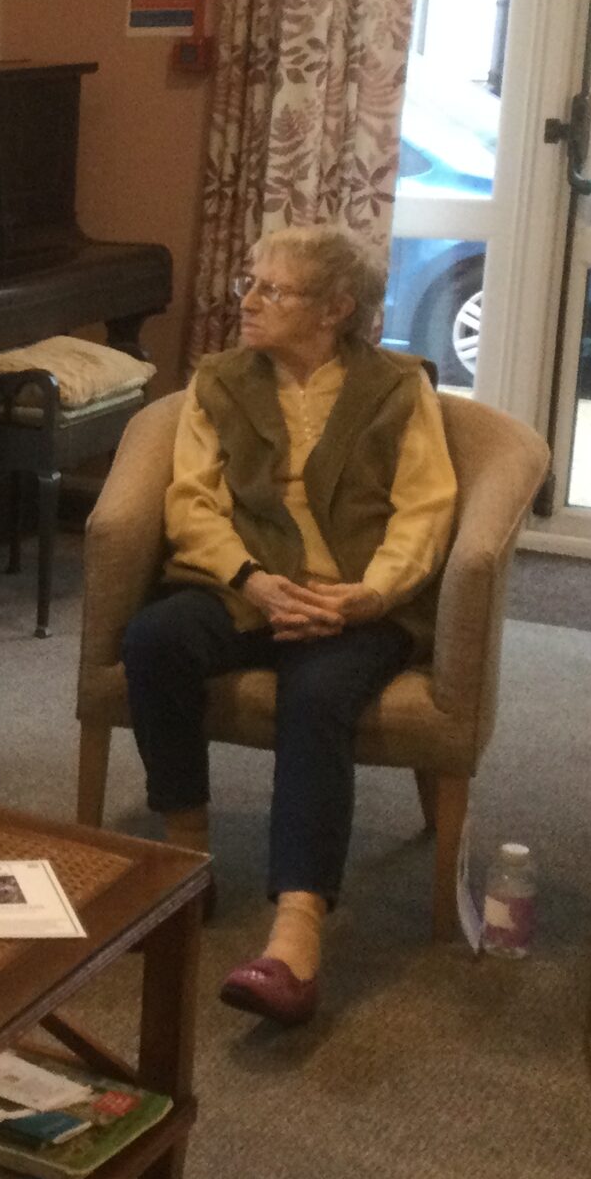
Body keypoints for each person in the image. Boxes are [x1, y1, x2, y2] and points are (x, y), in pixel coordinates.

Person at [120, 225, 457, 1026]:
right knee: (155, 639)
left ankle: (296, 935)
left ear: (337, 308)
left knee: (318, 700)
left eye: (274, 289)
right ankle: (186, 852)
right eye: (251, 282)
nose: (249, 300)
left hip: (357, 600)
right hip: (245, 584)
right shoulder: (220, 381)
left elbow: (426, 511)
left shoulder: (402, 388)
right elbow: (191, 502)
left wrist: (367, 597)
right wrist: (252, 580)